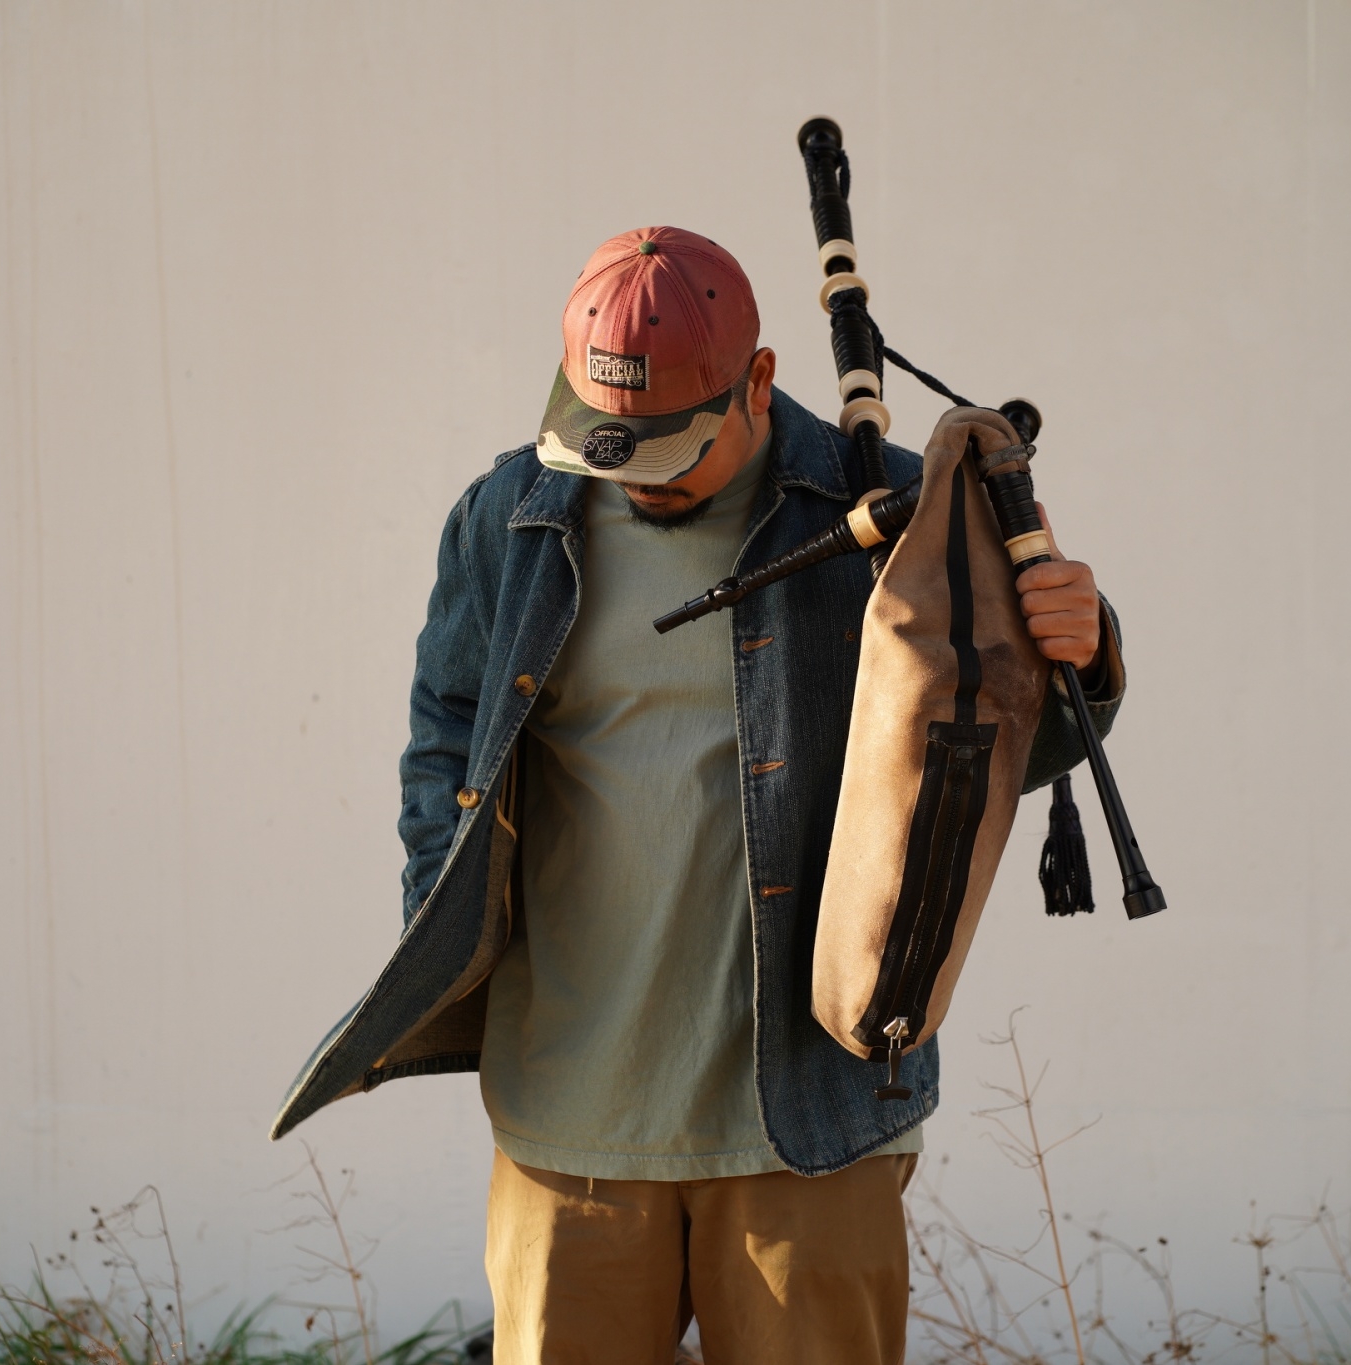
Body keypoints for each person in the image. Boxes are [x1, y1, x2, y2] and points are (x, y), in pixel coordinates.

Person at [272, 226, 1125, 1365]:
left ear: (756, 382)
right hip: (569, 1120)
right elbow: (444, 743)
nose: (628, 473)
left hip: (807, 1123)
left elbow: (993, 754)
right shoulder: (509, 519)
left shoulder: (892, 515)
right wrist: (450, 915)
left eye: (663, 446)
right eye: (600, 441)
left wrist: (1084, 648)